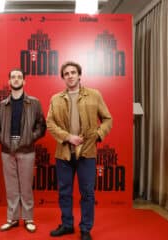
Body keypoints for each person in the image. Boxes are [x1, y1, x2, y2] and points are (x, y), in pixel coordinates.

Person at [46, 61, 112, 240]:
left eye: (73, 72)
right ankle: (67, 225)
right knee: (64, 191)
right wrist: (68, 137)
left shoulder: (94, 95)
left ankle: (85, 229)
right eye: (66, 73)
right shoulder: (56, 98)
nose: (70, 76)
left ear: (79, 75)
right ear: (63, 78)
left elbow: (107, 119)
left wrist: (98, 135)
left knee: (88, 193)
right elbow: (49, 123)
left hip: (87, 153)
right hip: (64, 154)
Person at [0, 69, 46, 233]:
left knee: (26, 186)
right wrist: (3, 140)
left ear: (24, 81)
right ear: (9, 82)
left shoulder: (34, 102)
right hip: (6, 149)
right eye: (13, 77)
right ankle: (12, 218)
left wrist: (30, 138)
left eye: (19, 77)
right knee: (11, 187)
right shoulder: (2, 105)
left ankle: (28, 218)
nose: (16, 80)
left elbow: (41, 125)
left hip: (27, 149)